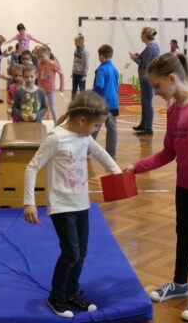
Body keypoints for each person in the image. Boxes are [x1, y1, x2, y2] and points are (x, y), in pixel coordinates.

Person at [124, 53, 188, 322]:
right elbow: (168, 152)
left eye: (157, 86)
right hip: (185, 184)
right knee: (183, 232)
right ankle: (180, 284)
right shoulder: (173, 110)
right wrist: (137, 166)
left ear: (172, 78)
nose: (155, 92)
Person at [23, 91, 122, 318]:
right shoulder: (56, 138)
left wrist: (118, 174)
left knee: (82, 253)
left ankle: (70, 292)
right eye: (96, 125)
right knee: (71, 253)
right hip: (61, 206)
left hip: (81, 203)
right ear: (82, 120)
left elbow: (102, 155)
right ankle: (55, 297)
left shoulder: (83, 137)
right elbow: (32, 168)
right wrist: (29, 202)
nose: (97, 130)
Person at [130, 27, 160, 136]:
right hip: (148, 77)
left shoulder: (149, 48)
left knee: (147, 103)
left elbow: (144, 64)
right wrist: (139, 57)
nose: (140, 37)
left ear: (146, 36)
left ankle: (148, 128)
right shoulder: (155, 46)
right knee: (144, 102)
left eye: (141, 35)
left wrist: (134, 58)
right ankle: (143, 124)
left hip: (146, 78)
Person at [91, 44, 119, 158]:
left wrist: (91, 95)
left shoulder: (102, 68)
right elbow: (117, 86)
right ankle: (111, 153)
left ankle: (85, 150)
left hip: (102, 103)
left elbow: (99, 85)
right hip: (113, 102)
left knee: (94, 126)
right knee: (112, 128)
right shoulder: (115, 69)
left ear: (101, 56)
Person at [37, 46, 64, 121]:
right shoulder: (39, 64)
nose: (40, 59)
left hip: (50, 89)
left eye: (42, 57)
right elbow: (38, 74)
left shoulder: (53, 64)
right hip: (41, 88)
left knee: (52, 106)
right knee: (39, 106)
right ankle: (38, 121)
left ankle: (56, 123)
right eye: (39, 57)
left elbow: (61, 74)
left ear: (48, 55)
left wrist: (62, 85)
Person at [71, 34, 89, 98]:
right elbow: (75, 61)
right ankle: (73, 103)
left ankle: (83, 104)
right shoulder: (75, 50)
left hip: (81, 75)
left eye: (76, 42)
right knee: (74, 90)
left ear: (80, 43)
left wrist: (85, 74)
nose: (74, 43)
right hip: (75, 73)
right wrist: (73, 71)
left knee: (82, 90)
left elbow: (86, 64)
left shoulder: (85, 52)